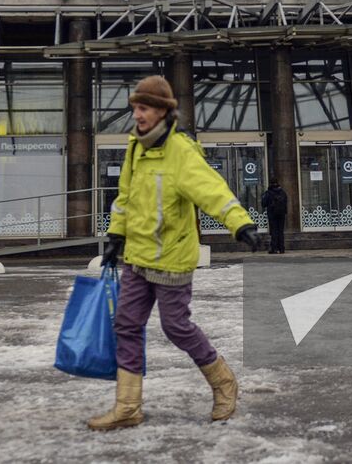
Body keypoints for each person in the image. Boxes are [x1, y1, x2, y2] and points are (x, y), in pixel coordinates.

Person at [87, 75, 262, 431]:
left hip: (172, 258)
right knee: (126, 325)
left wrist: (239, 223)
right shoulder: (136, 147)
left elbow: (213, 190)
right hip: (136, 257)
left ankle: (224, 382)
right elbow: (125, 197)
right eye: (135, 107)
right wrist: (115, 237)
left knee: (176, 327)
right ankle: (127, 407)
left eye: (144, 108)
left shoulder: (181, 151)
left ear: (164, 112)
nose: (137, 115)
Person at [261, 178, 289, 254]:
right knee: (280, 231)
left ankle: (274, 248)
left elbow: (263, 204)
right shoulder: (282, 192)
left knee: (274, 231)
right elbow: (286, 202)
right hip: (281, 214)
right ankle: (282, 248)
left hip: (272, 214)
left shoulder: (268, 193)